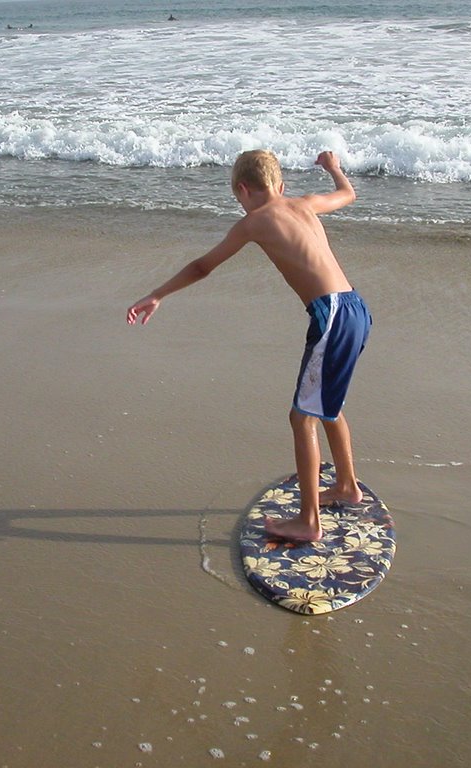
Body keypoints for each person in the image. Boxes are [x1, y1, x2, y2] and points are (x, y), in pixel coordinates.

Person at [126, 149, 371, 543]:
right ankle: (346, 486)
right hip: (355, 307)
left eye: (238, 197)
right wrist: (334, 168)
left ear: (243, 189)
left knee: (301, 416)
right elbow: (347, 194)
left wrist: (157, 294)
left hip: (331, 317)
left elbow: (202, 266)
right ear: (281, 185)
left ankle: (309, 522)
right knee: (327, 405)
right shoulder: (304, 204)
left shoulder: (254, 222)